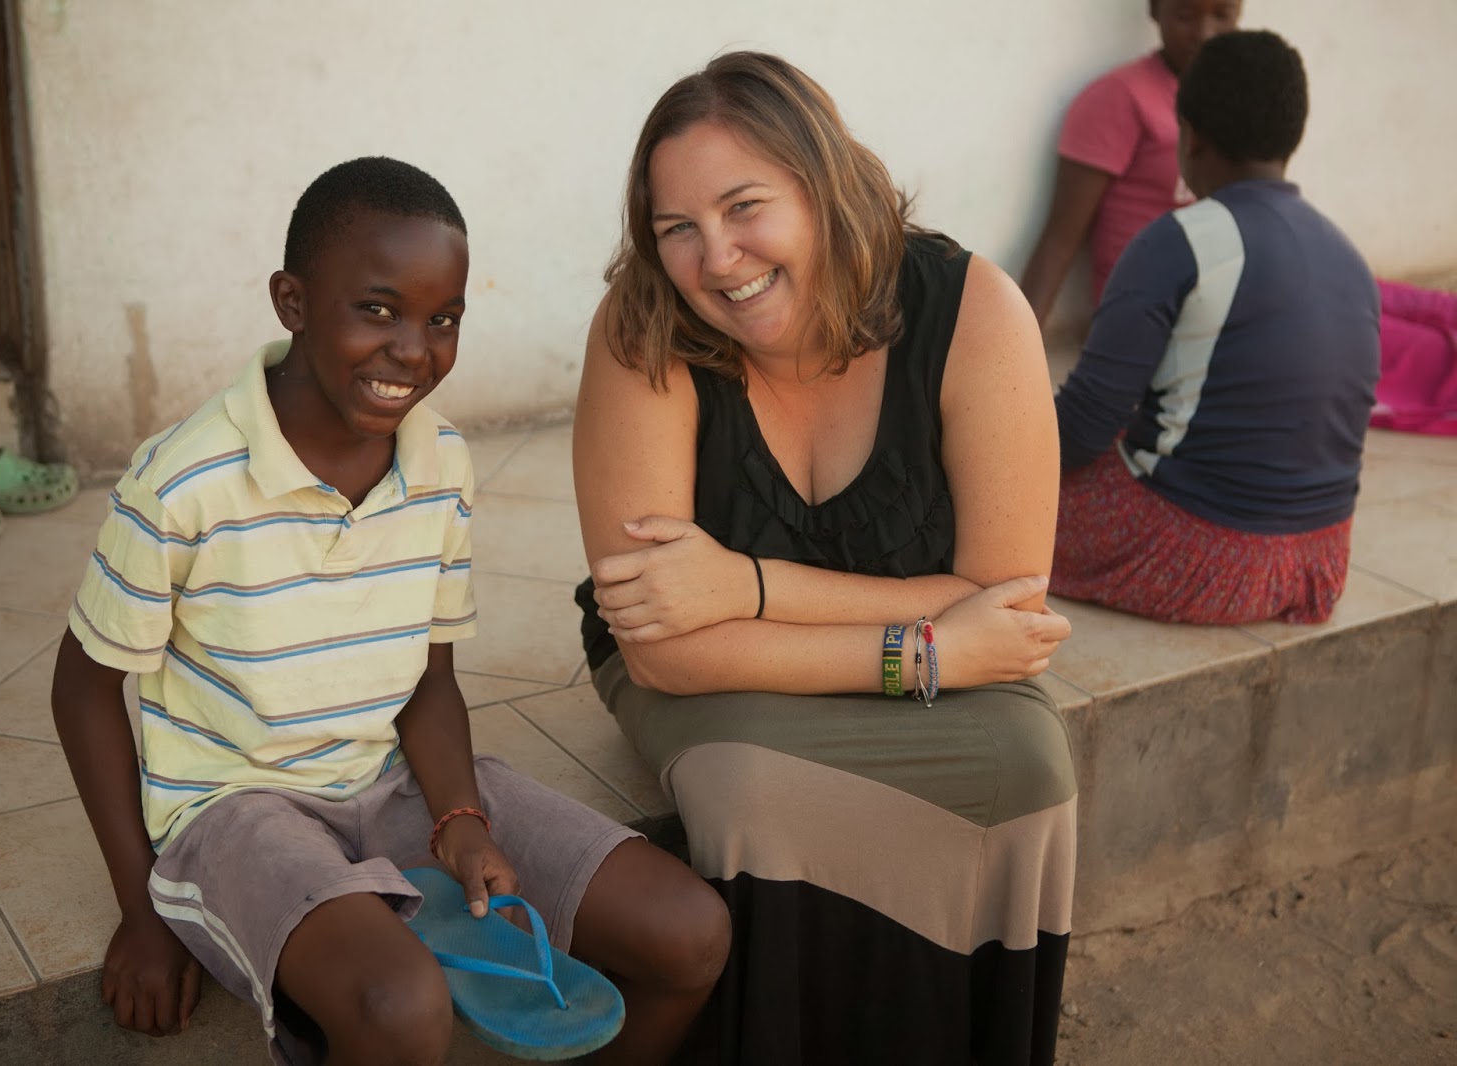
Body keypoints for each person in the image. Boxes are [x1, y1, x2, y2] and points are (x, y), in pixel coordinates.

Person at [51, 156, 729, 1066]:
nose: (414, 349)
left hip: (395, 781)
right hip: (235, 809)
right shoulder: (183, 482)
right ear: (292, 302)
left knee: (691, 931)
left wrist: (461, 818)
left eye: (443, 319)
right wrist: (143, 909)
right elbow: (83, 690)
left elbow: (429, 678)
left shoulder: (440, 462)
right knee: (400, 1005)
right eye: (378, 309)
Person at [573, 52, 1077, 1065]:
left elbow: (1007, 598)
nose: (717, 258)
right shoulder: (644, 327)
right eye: (677, 228)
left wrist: (746, 585)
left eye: (743, 207)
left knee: (1027, 769)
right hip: (711, 669)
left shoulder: (973, 310)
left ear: (822, 185)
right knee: (755, 788)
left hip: (819, 639)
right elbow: (665, 647)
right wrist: (925, 652)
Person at [1050, 31, 1379, 625]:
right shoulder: (1347, 255)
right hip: (1320, 563)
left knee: (984, 494)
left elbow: (1080, 429)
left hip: (1199, 557)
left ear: (1191, 135)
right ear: (1292, 135)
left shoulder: (1178, 240)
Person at [1021, 0, 1242, 328]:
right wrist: (1013, 344)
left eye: (1222, 15)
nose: (1205, 33)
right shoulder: (1120, 98)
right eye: (1185, 16)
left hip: (1218, 308)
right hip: (1143, 320)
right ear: (1154, 9)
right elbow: (1059, 242)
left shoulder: (1243, 98)